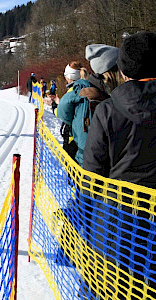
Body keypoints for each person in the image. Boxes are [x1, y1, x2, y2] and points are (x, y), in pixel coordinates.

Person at [83, 32, 156, 299]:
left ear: (123, 70)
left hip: (117, 223)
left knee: (108, 288)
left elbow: (91, 176)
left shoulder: (107, 110)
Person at [51, 61, 89, 163]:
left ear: (69, 77)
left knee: (72, 167)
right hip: (89, 136)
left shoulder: (73, 91)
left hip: (74, 136)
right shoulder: (90, 87)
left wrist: (54, 106)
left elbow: (63, 114)